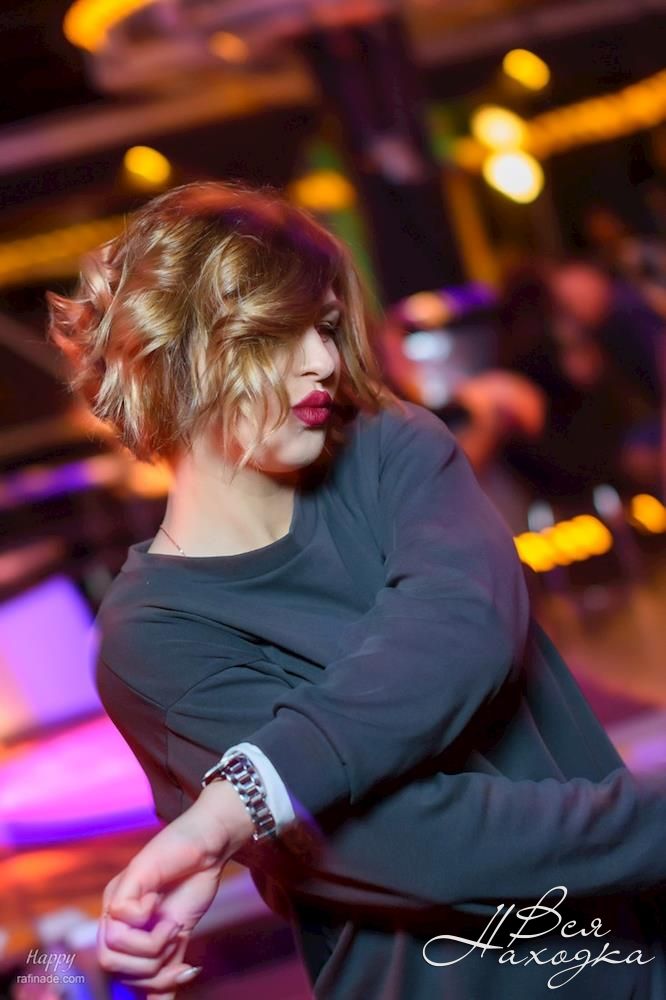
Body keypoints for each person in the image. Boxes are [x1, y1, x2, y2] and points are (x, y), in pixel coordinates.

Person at [47, 180, 666, 1000]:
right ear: (177, 360)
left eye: (328, 327)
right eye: (278, 333)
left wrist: (243, 797)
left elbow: (458, 627)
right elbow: (422, 847)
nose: (324, 361)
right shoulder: (151, 638)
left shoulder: (389, 449)